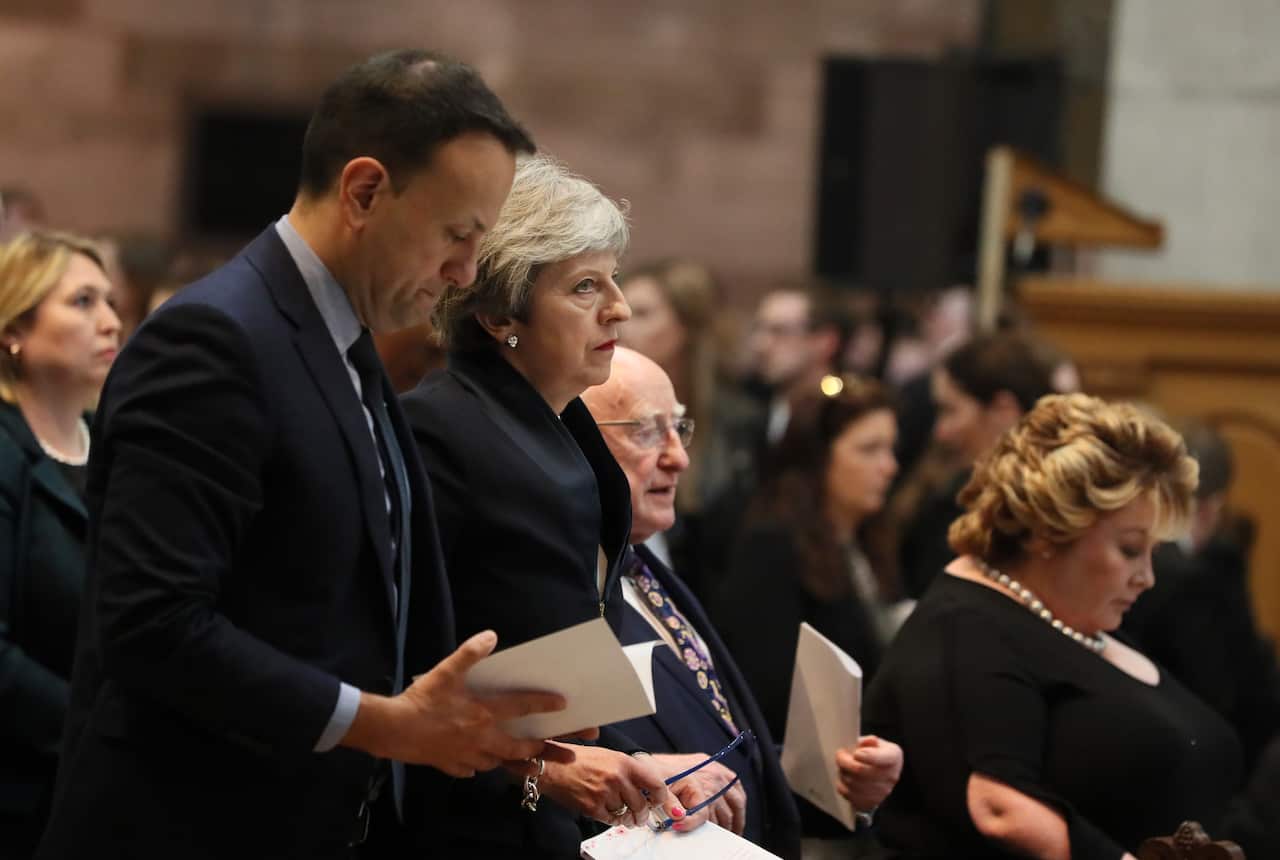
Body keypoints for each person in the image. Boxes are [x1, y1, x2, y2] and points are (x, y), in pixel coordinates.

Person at [38, 50, 575, 860]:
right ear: (364, 191)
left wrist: (492, 727)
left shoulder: (350, 346)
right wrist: (380, 725)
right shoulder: (215, 339)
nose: (466, 271)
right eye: (456, 234)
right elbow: (152, 624)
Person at [404, 154, 702, 857]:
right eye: (585, 287)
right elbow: (408, 668)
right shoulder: (439, 429)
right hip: (459, 821)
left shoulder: (559, 424)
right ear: (501, 312)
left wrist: (637, 760)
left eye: (615, 280)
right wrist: (541, 767)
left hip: (545, 812)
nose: (619, 308)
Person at [864, 393, 1243, 859]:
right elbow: (1000, 807)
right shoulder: (966, 627)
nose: (1146, 577)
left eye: (1154, 553)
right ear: (1049, 531)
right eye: (1128, 549)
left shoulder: (1065, 618)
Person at [582, 347, 904, 860]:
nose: (677, 456)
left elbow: (727, 748)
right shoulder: (561, 594)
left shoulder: (641, 566)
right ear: (567, 442)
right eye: (645, 431)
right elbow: (570, 772)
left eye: (679, 428)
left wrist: (840, 783)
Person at [0, 232, 120, 858]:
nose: (111, 321)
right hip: (21, 790)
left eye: (110, 300)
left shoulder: (119, 445)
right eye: (81, 301)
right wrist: (95, 734)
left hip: (107, 791)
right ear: (12, 329)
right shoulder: (4, 452)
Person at [894, 330, 1063, 598]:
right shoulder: (951, 496)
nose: (940, 432)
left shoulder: (1047, 518)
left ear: (1003, 411)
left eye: (950, 410)